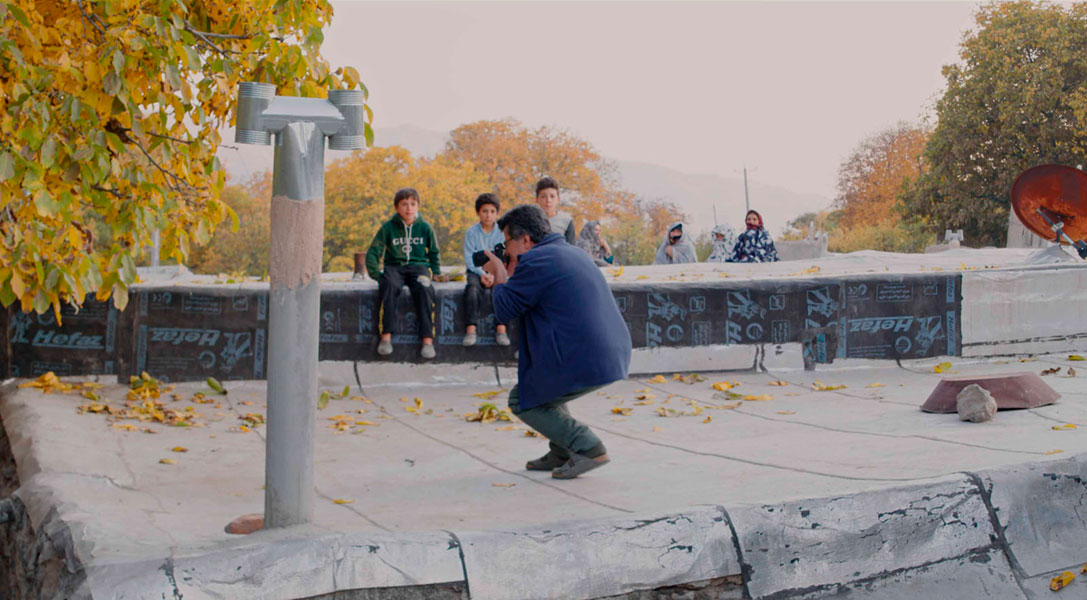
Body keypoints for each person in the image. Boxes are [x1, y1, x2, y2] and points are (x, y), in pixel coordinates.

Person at [482, 204, 631, 479]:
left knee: (523, 400)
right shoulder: (569, 252)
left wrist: (499, 272)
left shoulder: (536, 261)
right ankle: (562, 450)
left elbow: (504, 309)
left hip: (587, 356)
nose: (508, 251)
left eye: (508, 243)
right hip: (609, 351)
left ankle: (587, 447)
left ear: (525, 239)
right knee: (543, 389)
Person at [365, 188, 442, 359]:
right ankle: (386, 337)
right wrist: (377, 274)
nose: (409, 208)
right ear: (396, 208)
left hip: (418, 267)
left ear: (418, 206)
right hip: (394, 267)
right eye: (404, 204)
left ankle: (427, 340)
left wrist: (436, 271)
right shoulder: (388, 228)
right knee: (389, 286)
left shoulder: (425, 227)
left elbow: (434, 252)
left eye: (413, 204)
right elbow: (373, 252)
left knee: (425, 289)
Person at [461, 193, 510, 347]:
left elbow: (503, 258)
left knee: (502, 289)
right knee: (472, 289)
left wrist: (493, 275)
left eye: (492, 211)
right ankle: (471, 329)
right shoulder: (471, 232)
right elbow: (470, 258)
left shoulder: (502, 233)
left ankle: (501, 329)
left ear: (497, 213)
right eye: (484, 211)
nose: (488, 215)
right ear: (478, 213)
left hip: (497, 271)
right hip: (476, 271)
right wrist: (483, 274)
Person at [534, 176, 576, 244]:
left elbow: (571, 249)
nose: (548, 200)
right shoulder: (530, 220)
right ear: (537, 199)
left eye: (552, 196)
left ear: (558, 199)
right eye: (543, 196)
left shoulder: (567, 221)